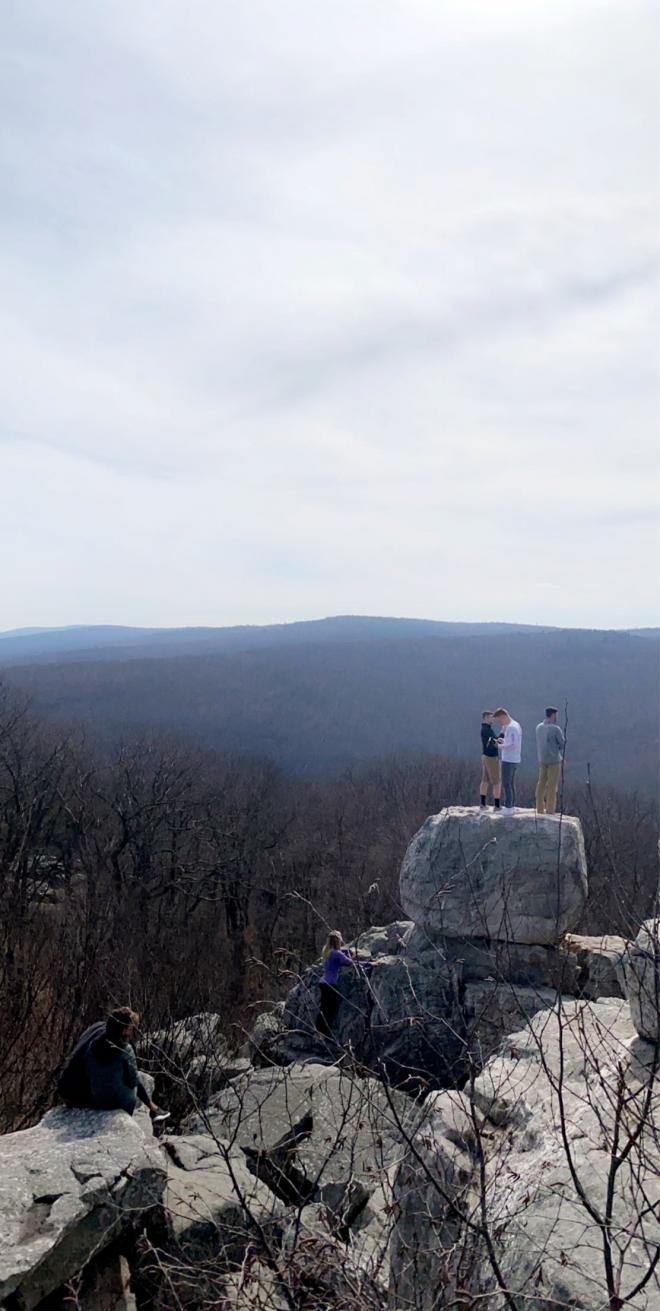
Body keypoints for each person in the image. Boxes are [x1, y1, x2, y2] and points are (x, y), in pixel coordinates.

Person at [58, 1007, 168, 1121]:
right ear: (124, 1030)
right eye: (130, 1028)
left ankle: (153, 1108)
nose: (132, 1031)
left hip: (97, 1099)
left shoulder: (92, 1046)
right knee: (139, 1078)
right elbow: (132, 1081)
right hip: (120, 1103)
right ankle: (153, 1108)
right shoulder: (125, 1050)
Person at [315, 931, 381, 1038]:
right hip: (330, 985)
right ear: (338, 940)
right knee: (331, 1008)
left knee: (323, 1007)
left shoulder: (328, 951)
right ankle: (324, 1034)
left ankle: (318, 1032)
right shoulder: (336, 954)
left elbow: (343, 952)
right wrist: (371, 964)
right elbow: (353, 964)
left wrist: (351, 952)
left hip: (323, 983)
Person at [535, 707, 565, 815]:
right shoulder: (555, 729)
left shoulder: (538, 727)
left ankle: (539, 808)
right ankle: (550, 809)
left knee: (541, 783)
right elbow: (562, 744)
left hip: (542, 759)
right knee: (552, 786)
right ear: (553, 715)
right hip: (554, 761)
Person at [493, 708, 522, 814]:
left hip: (509, 759)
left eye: (499, 720)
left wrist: (499, 745)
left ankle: (508, 807)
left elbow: (512, 745)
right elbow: (511, 741)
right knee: (510, 782)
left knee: (506, 783)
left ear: (503, 716)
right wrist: (503, 741)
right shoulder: (516, 725)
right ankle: (512, 805)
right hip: (514, 758)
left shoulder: (511, 728)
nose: (500, 722)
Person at [479, 711, 501, 810]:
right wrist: (502, 738)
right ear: (486, 717)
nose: (493, 719)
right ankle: (497, 805)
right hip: (491, 757)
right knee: (497, 782)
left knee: (485, 780)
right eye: (491, 717)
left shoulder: (485, 729)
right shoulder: (487, 730)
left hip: (486, 756)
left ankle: (483, 803)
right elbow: (494, 742)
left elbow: (494, 740)